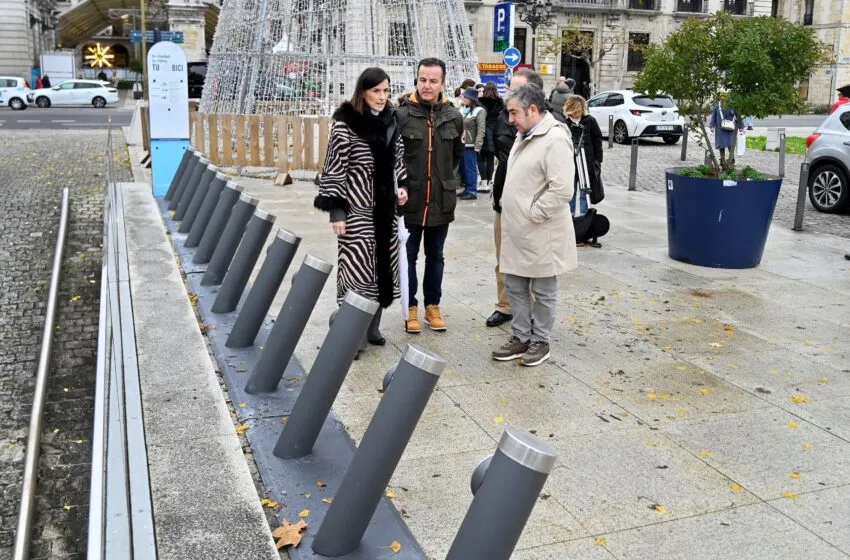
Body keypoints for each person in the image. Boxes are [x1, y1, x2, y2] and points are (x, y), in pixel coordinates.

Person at [314, 67, 408, 352]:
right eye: (376, 91)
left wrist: (402, 187)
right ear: (363, 92)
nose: (382, 97)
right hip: (357, 211)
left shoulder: (391, 122)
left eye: (386, 91)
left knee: (382, 270)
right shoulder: (346, 124)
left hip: (386, 212)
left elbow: (398, 161)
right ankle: (350, 334)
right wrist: (337, 212)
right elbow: (334, 169)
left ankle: (371, 327)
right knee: (357, 272)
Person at [492, 84, 577, 367]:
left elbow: (562, 189)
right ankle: (520, 336)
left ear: (532, 109)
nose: (510, 119)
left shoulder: (554, 138)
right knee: (515, 286)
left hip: (541, 231)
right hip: (518, 230)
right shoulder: (525, 133)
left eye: (514, 112)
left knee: (543, 290)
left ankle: (540, 341)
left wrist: (533, 213)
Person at [486, 68, 562, 328]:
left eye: (516, 88)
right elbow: (498, 151)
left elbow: (560, 185)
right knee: (506, 262)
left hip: (532, 212)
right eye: (510, 87)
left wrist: (533, 212)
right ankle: (507, 308)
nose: (510, 92)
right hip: (505, 204)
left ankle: (536, 326)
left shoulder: (552, 129)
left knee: (536, 272)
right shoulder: (507, 119)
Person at [396, 57, 464, 333]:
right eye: (422, 79)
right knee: (408, 256)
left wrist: (442, 180)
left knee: (436, 256)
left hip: (440, 200)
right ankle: (410, 307)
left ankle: (432, 306)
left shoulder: (453, 116)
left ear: (443, 83)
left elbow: (455, 157)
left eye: (433, 81)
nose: (427, 85)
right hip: (410, 200)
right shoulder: (401, 115)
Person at [563, 94, 603, 218]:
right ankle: (570, 216)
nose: (577, 114)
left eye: (579, 111)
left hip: (587, 161)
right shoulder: (564, 123)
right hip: (570, 162)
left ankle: (584, 217)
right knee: (571, 191)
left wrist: (598, 159)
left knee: (584, 191)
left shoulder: (590, 120)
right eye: (575, 111)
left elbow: (597, 139)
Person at [459, 87, 486, 200]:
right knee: (463, 169)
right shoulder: (462, 109)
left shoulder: (479, 111)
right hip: (461, 144)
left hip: (471, 145)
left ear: (471, 98)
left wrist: (478, 144)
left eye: (465, 97)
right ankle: (467, 188)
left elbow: (481, 129)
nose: (463, 98)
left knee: (470, 168)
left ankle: (472, 191)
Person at [477, 82, 504, 194]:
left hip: (483, 130)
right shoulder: (500, 102)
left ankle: (483, 183)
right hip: (495, 132)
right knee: (490, 158)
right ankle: (488, 182)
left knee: (481, 157)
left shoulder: (481, 101)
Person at [709, 96, 741, 166]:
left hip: (730, 129)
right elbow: (713, 117)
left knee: (730, 145)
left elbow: (738, 116)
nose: (724, 98)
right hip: (720, 129)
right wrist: (712, 126)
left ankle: (731, 159)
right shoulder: (717, 106)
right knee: (721, 145)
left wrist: (741, 126)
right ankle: (722, 159)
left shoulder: (733, 105)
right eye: (722, 96)